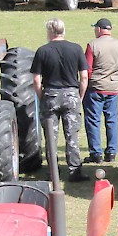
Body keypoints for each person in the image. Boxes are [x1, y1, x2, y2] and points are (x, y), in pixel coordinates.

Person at [32, 18, 88, 182]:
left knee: (51, 137)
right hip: (71, 95)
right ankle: (75, 171)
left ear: (50, 31)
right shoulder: (76, 49)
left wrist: (41, 96)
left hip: (50, 95)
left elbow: (36, 80)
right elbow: (84, 76)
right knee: (72, 136)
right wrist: (80, 95)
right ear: (63, 30)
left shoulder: (42, 51)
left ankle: (52, 172)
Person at [83, 17, 118, 163]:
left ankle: (96, 153)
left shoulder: (93, 45)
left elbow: (88, 68)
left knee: (93, 120)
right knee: (111, 120)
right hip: (113, 88)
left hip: (96, 88)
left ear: (99, 29)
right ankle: (111, 152)